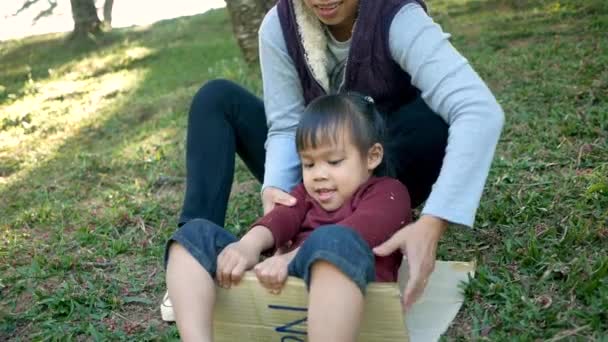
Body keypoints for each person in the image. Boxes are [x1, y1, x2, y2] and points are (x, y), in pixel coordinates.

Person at [175, 0, 504, 319]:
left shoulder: (396, 15)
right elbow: (287, 125)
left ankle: (371, 215)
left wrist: (433, 223)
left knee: (434, 115)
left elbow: (478, 109)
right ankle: (197, 266)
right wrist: (275, 192)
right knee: (215, 98)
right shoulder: (280, 25)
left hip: (388, 166)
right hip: (313, 162)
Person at [166, 93, 412, 341]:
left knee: (333, 240)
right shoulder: (307, 193)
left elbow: (359, 229)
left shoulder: (390, 193)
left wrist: (289, 258)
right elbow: (282, 217)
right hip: (282, 290)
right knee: (193, 235)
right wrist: (248, 244)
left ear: (372, 156)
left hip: (345, 294)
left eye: (334, 161)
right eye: (308, 164)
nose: (319, 174)